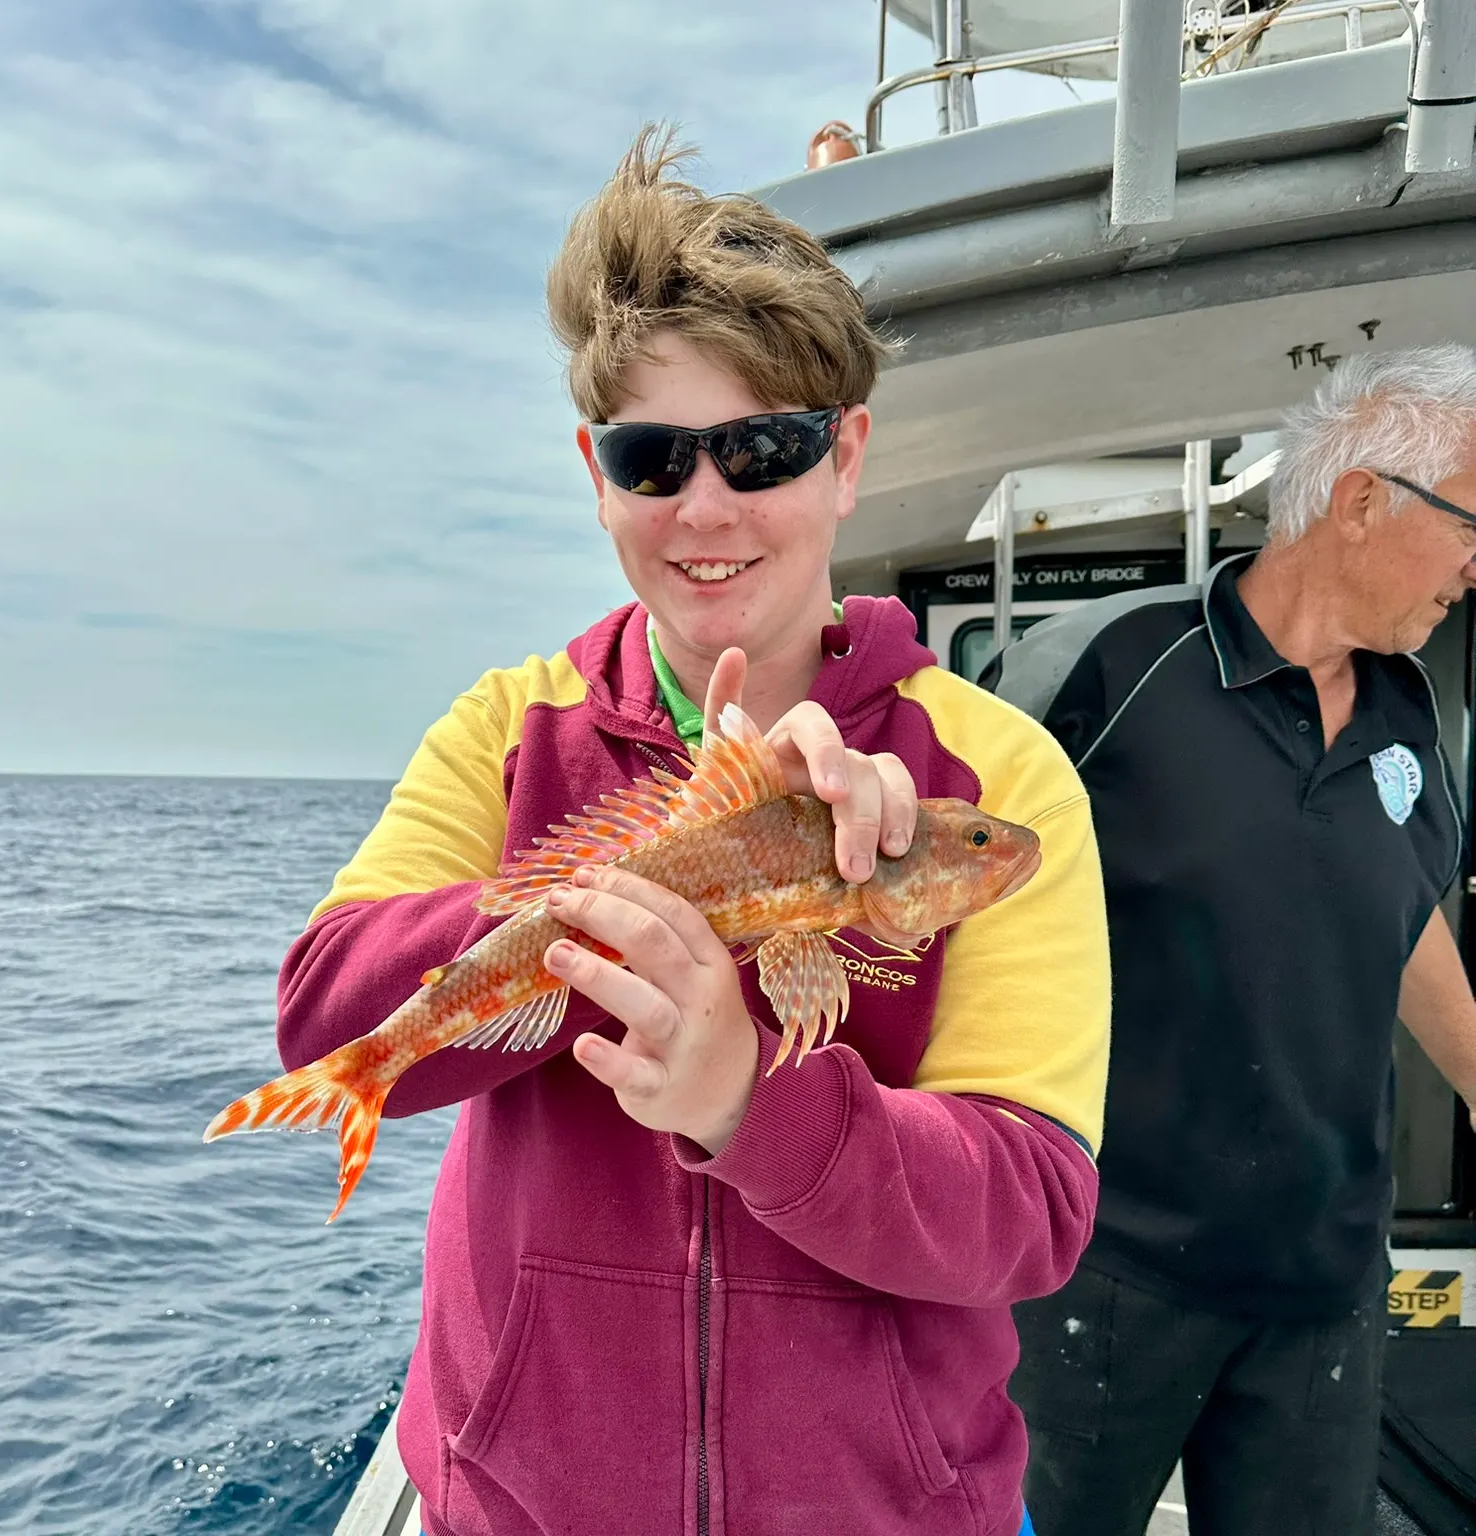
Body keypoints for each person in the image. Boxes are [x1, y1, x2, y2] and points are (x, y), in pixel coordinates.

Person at [275, 126, 1110, 1536]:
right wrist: (654, 888)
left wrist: (748, 1097)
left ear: (846, 457)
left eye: (765, 448)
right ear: (595, 474)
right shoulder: (509, 730)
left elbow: (1026, 1215)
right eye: (655, 457)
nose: (707, 507)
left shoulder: (998, 782)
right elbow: (326, 1017)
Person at [982, 344, 1476, 1536]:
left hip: (1324, 1295)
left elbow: (1395, 920)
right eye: (1473, 524)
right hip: (1096, 1275)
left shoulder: (1412, 721)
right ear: (1365, 502)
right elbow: (944, 900)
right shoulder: (1105, 666)